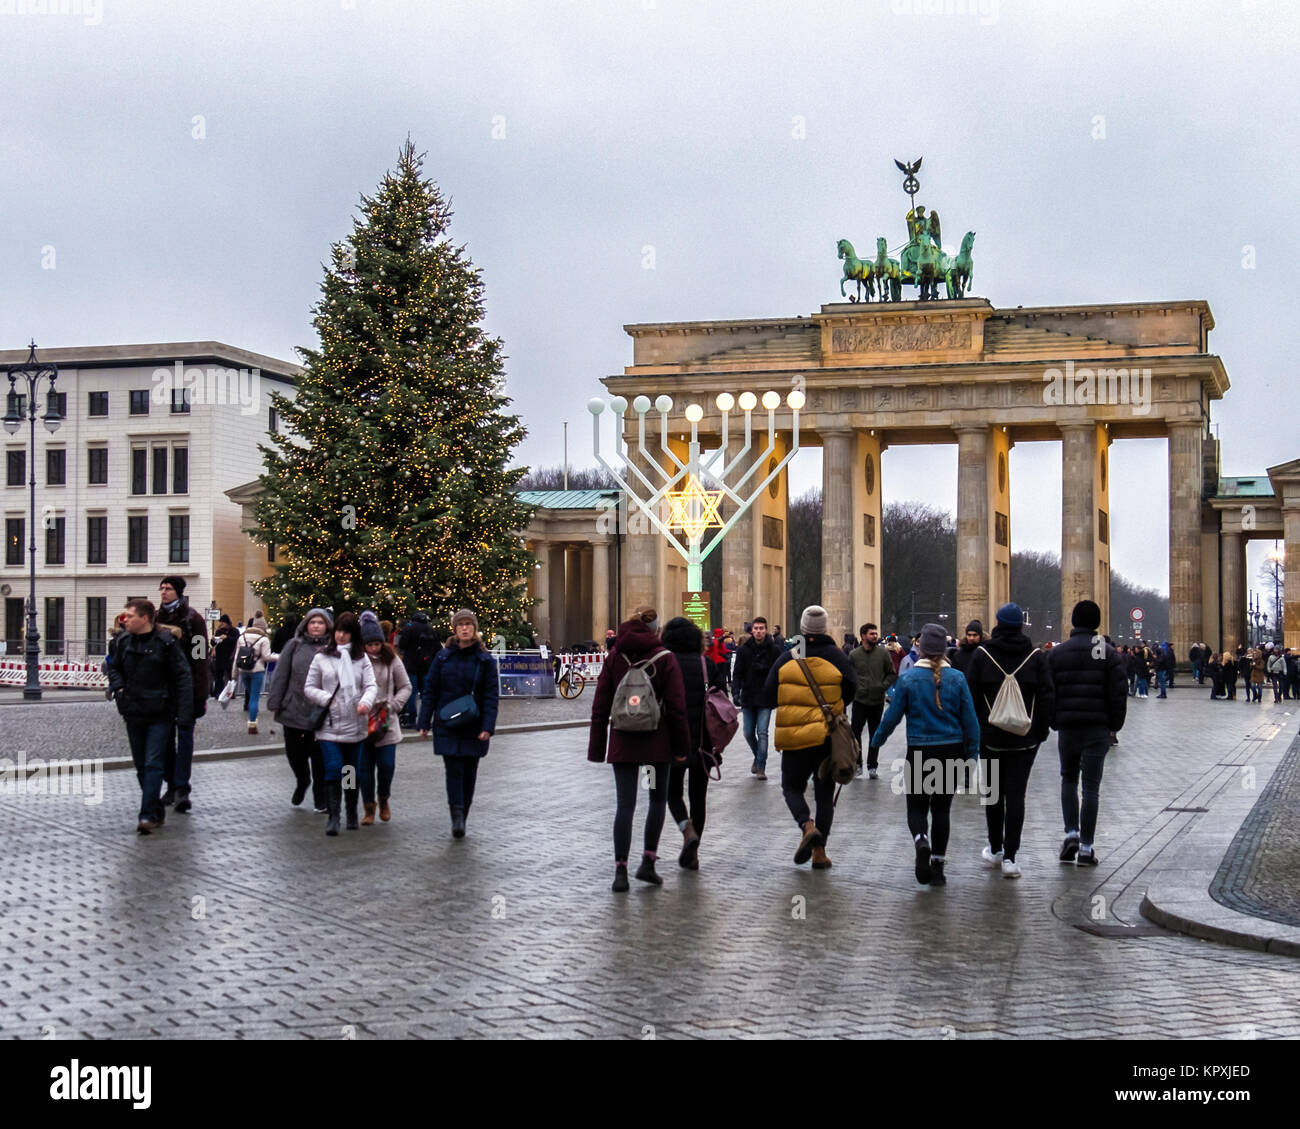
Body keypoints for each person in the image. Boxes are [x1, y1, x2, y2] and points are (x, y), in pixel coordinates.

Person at [587, 606, 690, 891]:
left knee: (625, 805)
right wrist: (681, 748)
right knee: (657, 801)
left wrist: (597, 748)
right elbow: (678, 709)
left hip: (623, 742)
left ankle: (620, 870)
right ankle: (648, 862)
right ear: (656, 630)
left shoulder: (613, 657)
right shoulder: (665, 658)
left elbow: (600, 706)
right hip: (656, 746)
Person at [870, 623, 980, 887]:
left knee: (917, 805)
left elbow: (891, 717)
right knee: (942, 809)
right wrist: (972, 753)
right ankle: (939, 868)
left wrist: (876, 742)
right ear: (944, 650)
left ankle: (921, 840)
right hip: (951, 749)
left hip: (919, 749)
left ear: (920, 648)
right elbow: (970, 720)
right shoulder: (957, 678)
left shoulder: (908, 680)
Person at [764, 605, 857, 871]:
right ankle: (819, 853)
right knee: (825, 796)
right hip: (826, 738)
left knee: (791, 788)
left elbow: (769, 692)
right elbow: (851, 688)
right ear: (825, 628)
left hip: (794, 739)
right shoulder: (836, 656)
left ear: (803, 629)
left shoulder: (790, 655)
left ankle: (806, 826)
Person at [966, 604, 1055, 879]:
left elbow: (969, 697)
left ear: (997, 623)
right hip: (1025, 740)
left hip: (990, 737)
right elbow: (1047, 697)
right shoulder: (1036, 656)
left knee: (993, 795)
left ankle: (995, 849)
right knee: (1017, 796)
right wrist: (1040, 732)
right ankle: (1011, 858)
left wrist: (977, 732)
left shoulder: (982, 655)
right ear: (1022, 625)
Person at [104, 599, 194, 834]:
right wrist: (119, 688)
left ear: (145, 618)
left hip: (160, 712)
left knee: (153, 763)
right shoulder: (123, 641)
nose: (126, 620)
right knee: (141, 766)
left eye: (130, 616)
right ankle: (156, 810)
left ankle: (146, 815)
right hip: (133, 711)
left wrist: (184, 713)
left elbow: (183, 677)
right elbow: (112, 667)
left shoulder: (166, 643)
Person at [1049, 600, 1128, 867]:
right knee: (1091, 788)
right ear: (1096, 623)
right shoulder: (1106, 652)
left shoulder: (1059, 652)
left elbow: (1049, 692)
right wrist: (1113, 726)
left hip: (1068, 728)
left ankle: (1070, 832)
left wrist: (1053, 720)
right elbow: (1118, 693)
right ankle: (1086, 848)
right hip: (1097, 729)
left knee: (1068, 779)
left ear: (1073, 621)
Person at [419, 609, 500, 839]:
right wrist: (424, 721)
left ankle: (463, 813)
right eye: (461, 625)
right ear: (454, 629)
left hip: (474, 725)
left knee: (469, 773)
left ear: (475, 629)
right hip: (447, 724)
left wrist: (488, 726)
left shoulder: (484, 660)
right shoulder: (443, 657)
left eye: (469, 624)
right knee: (453, 771)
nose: (465, 628)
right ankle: (456, 816)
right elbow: (431, 690)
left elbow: (491, 697)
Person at [661, 616, 726, 870]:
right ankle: (694, 853)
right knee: (699, 797)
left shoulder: (665, 663)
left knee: (672, 793)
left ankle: (686, 830)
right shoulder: (706, 663)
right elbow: (722, 698)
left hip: (674, 742)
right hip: (704, 745)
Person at [304, 611, 377, 836]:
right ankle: (334, 816)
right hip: (329, 724)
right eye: (338, 631)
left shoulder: (361, 658)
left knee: (350, 771)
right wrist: (327, 699)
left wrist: (365, 702)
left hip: (355, 724)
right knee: (334, 768)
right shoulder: (322, 657)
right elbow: (309, 687)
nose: (341, 636)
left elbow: (371, 686)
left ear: (353, 634)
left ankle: (351, 812)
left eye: (345, 632)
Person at [155, 576, 209, 813]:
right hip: (162, 688)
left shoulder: (194, 619)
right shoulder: (155, 618)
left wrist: (201, 692)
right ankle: (170, 783)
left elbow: (199, 655)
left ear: (179, 592)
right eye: (162, 588)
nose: (164, 592)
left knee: (185, 738)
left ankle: (181, 788)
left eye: (169, 589)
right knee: (165, 739)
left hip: (186, 687)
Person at [357, 611, 413, 824]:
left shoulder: (392, 660)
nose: (373, 649)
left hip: (386, 721)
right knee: (363, 769)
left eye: (376, 644)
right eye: (369, 645)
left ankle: (384, 798)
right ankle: (368, 807)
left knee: (386, 765)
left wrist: (394, 705)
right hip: (361, 721)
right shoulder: (356, 661)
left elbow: (406, 686)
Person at [732, 615, 780, 780]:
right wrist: (735, 692)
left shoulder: (774, 650)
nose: (759, 631)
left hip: (765, 697)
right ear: (752, 630)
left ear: (766, 630)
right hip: (748, 696)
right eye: (756, 628)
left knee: (763, 732)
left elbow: (779, 673)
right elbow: (737, 673)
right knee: (747, 732)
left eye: (761, 628)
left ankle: (761, 766)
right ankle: (758, 756)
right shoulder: (744, 650)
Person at [848, 622, 895, 779]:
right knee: (856, 733)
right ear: (863, 636)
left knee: (875, 733)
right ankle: (857, 764)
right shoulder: (854, 655)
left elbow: (891, 673)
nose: (875, 636)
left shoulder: (883, 654)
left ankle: (872, 765)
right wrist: (856, 688)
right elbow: (849, 675)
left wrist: (882, 686)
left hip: (876, 700)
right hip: (859, 700)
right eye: (872, 634)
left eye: (876, 633)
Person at [232, 611, 274, 735]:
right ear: (263, 627)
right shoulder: (264, 639)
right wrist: (280, 657)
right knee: (255, 698)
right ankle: (252, 725)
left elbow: (236, 657)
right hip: (257, 671)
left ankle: (252, 719)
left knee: (250, 696)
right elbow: (267, 657)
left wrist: (234, 674)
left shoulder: (242, 637)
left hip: (244, 670)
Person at [397, 611, 437, 729]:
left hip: (411, 664)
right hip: (426, 664)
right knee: (426, 693)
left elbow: (402, 644)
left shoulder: (410, 628)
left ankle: (411, 719)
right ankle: (426, 719)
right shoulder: (431, 629)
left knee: (411, 692)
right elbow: (436, 647)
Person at [210, 615, 238, 701]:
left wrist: (227, 638)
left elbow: (236, 641)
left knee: (230, 677)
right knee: (218, 676)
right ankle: (218, 693)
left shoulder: (234, 631)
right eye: (221, 622)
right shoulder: (219, 631)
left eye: (223, 622)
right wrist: (213, 640)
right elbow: (214, 644)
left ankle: (231, 693)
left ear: (227, 623)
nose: (221, 624)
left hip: (230, 657)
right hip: (220, 657)